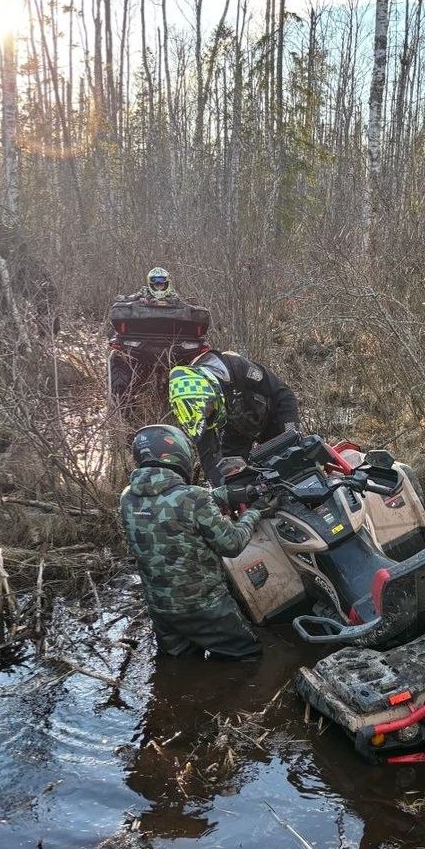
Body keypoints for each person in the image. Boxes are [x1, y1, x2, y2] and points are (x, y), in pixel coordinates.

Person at [120, 424, 278, 659]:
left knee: (182, 666)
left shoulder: (127, 498)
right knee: (250, 657)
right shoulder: (195, 497)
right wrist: (254, 512)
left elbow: (170, 503)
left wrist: (224, 494)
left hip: (161, 611)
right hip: (206, 608)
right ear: (177, 453)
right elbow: (232, 544)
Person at [168, 352, 300, 485]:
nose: (208, 415)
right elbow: (208, 458)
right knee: (233, 477)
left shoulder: (238, 367)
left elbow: (283, 394)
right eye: (205, 415)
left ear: (212, 393)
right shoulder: (199, 413)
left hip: (271, 415)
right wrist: (222, 488)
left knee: (289, 460)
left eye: (209, 410)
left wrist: (290, 433)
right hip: (235, 431)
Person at [107, 267, 191, 402]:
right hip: (142, 339)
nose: (159, 285)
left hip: (171, 337)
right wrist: (137, 300)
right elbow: (127, 299)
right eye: (156, 282)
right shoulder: (143, 292)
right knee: (116, 347)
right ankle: (122, 399)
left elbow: (184, 306)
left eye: (162, 282)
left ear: (167, 283)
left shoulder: (174, 296)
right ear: (150, 283)